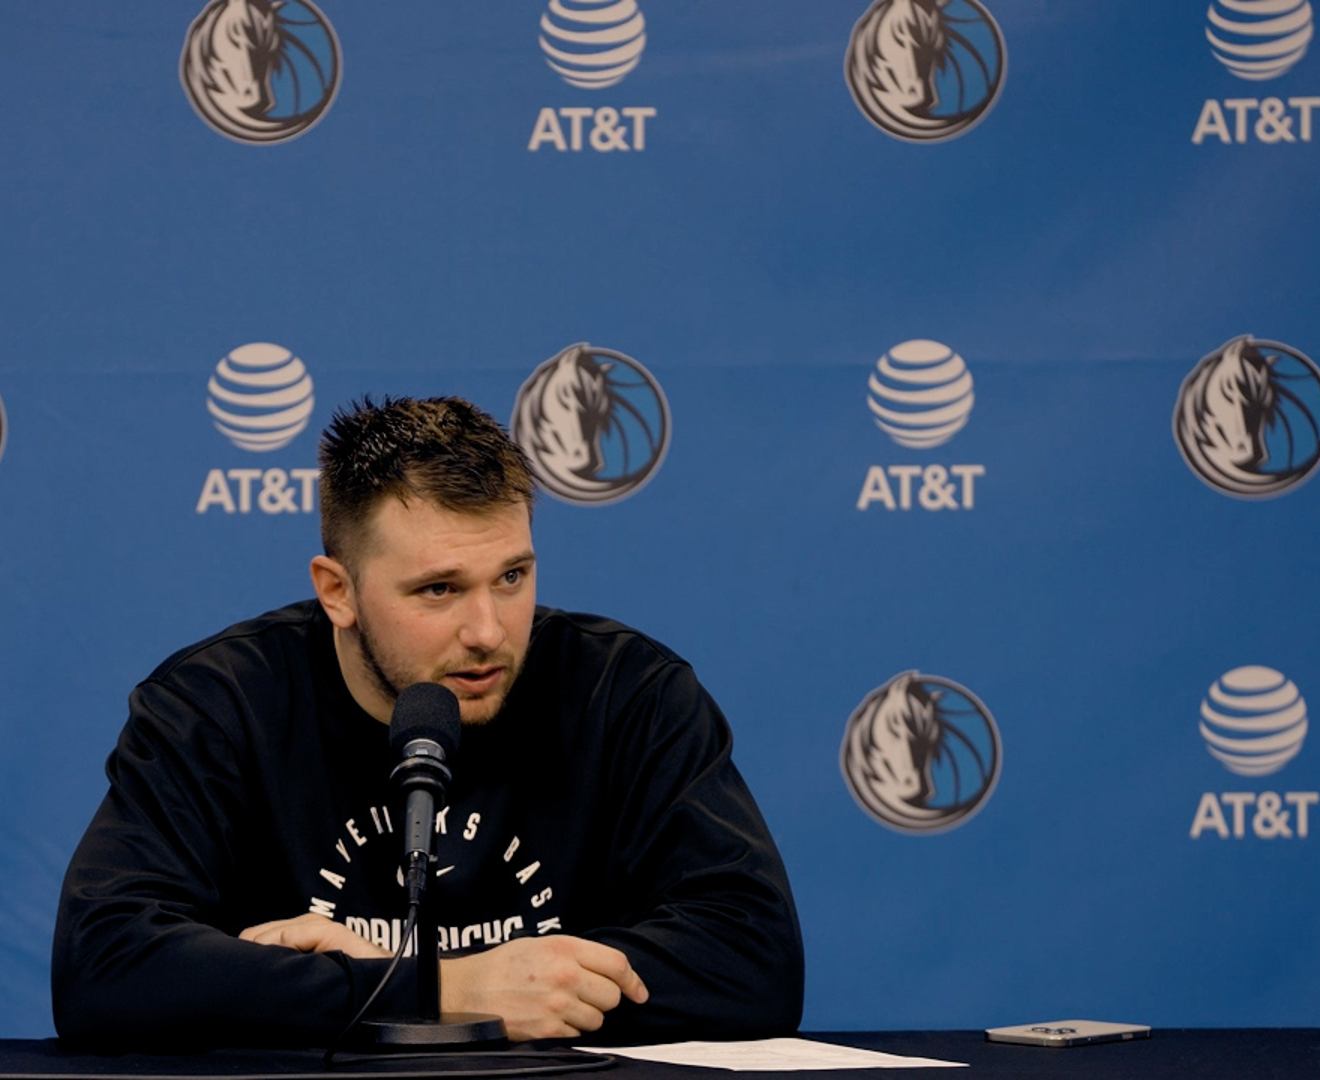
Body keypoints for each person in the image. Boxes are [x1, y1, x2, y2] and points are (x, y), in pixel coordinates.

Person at [52, 397, 802, 1049]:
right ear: (337, 590)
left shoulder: (628, 693)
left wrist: (326, 988)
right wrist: (438, 990)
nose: (488, 630)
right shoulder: (219, 703)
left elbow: (754, 959)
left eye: (512, 576)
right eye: (438, 589)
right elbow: (104, 964)